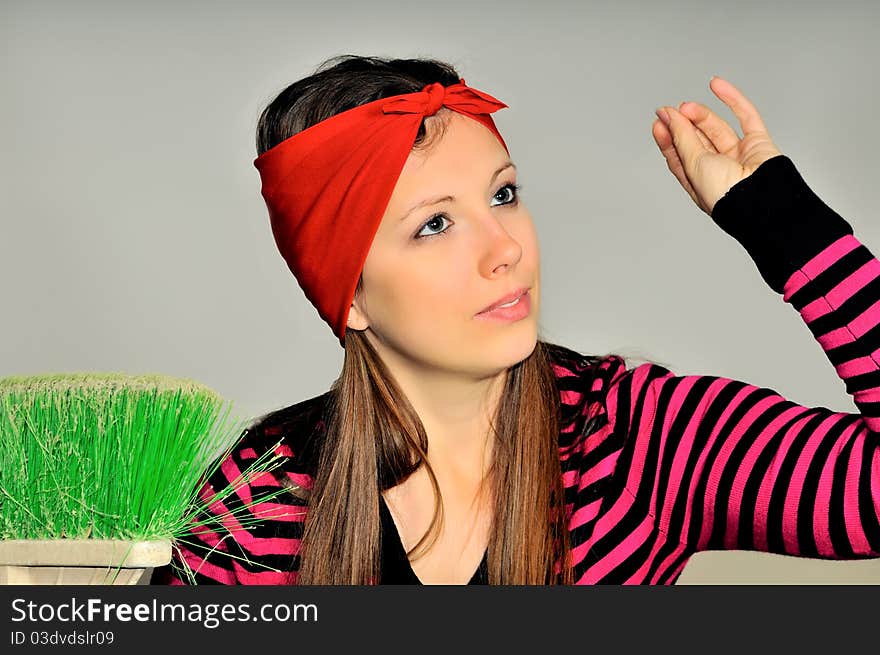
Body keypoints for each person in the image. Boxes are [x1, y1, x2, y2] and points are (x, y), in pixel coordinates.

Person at [151, 55, 880, 585]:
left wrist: (783, 224)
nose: (506, 248)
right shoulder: (257, 500)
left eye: (503, 196)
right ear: (351, 296)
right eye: (435, 223)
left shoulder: (638, 439)